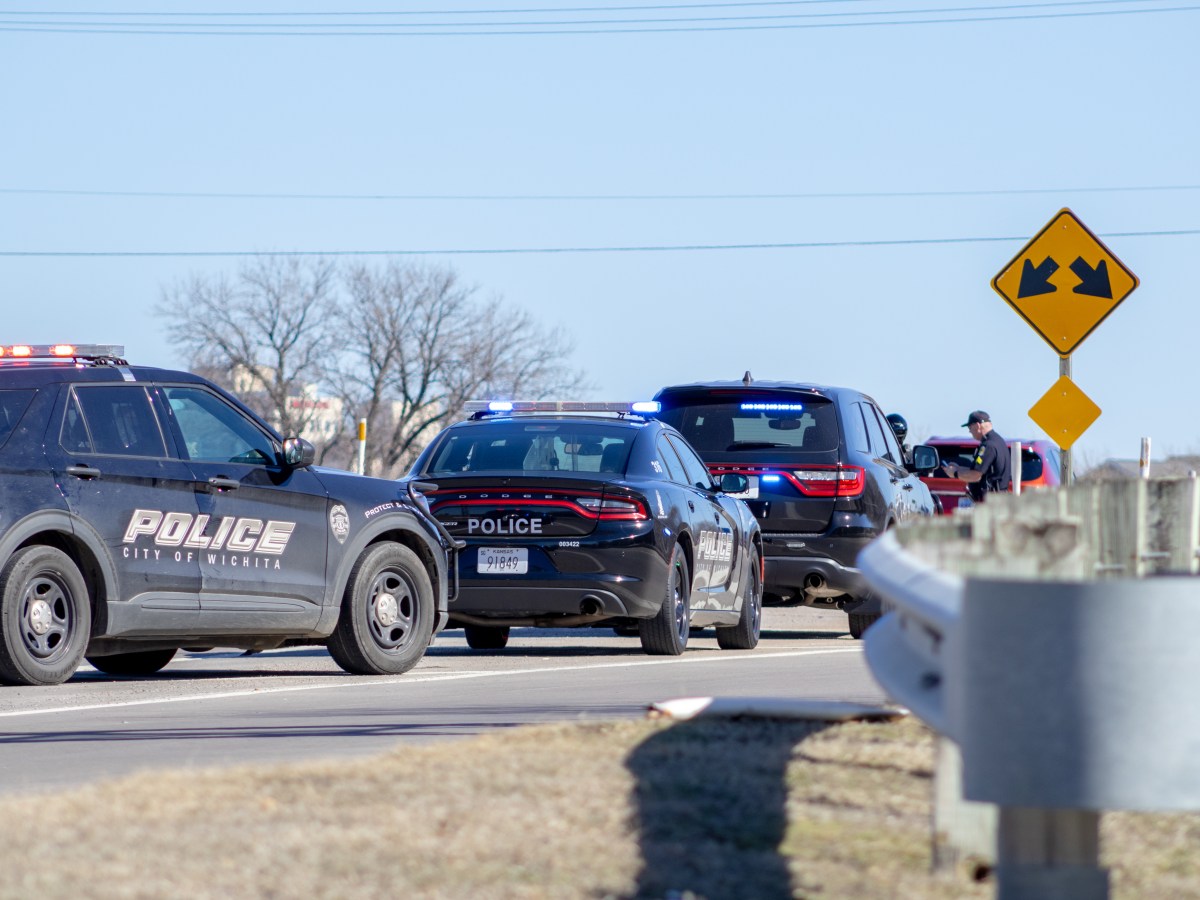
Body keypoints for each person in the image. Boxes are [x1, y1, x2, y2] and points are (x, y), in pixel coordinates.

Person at [943, 410, 1011, 502]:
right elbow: (979, 471)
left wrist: (955, 473)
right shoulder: (998, 441)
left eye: (969, 427)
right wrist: (958, 468)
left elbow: (976, 475)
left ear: (978, 425)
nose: (969, 431)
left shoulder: (988, 446)